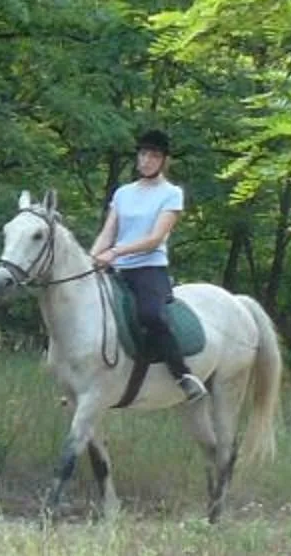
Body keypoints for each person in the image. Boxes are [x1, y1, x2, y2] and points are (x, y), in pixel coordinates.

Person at [88, 127, 207, 402]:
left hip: (149, 269)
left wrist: (115, 252)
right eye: (143, 154)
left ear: (164, 160)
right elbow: (108, 232)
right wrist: (91, 257)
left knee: (151, 316)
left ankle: (182, 375)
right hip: (117, 268)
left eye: (153, 156)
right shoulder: (123, 193)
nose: (146, 160)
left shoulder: (171, 193)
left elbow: (154, 239)